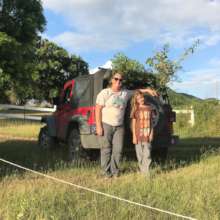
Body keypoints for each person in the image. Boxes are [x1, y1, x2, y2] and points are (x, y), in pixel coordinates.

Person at [95, 71, 157, 178]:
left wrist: (147, 90)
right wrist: (99, 126)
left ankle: (115, 172)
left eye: (120, 80)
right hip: (106, 124)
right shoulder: (104, 93)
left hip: (119, 126)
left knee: (118, 150)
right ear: (111, 80)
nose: (118, 81)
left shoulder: (125, 93)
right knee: (106, 149)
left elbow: (136, 91)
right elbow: (98, 109)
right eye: (116, 79)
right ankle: (106, 173)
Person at [130, 90, 154, 176]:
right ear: (136, 100)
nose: (141, 99)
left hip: (147, 135)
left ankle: (146, 173)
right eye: (139, 98)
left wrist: (151, 133)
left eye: (142, 97)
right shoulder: (135, 109)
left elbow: (151, 122)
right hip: (138, 135)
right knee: (139, 155)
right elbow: (133, 124)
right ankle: (142, 171)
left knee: (147, 155)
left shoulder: (149, 108)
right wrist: (134, 136)